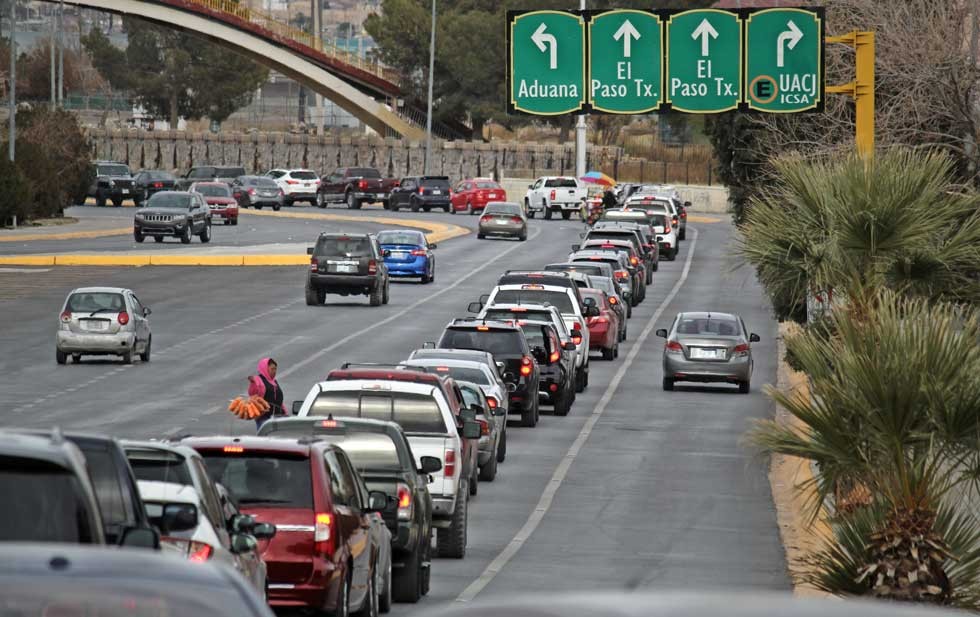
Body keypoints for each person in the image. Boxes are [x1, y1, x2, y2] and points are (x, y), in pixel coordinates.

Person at [248, 358, 285, 430]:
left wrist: (284, 412)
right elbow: (252, 392)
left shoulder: (274, 382)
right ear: (265, 369)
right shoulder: (258, 380)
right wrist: (253, 382)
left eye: (275, 369)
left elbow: (279, 399)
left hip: (277, 417)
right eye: (272, 369)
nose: (274, 371)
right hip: (264, 418)